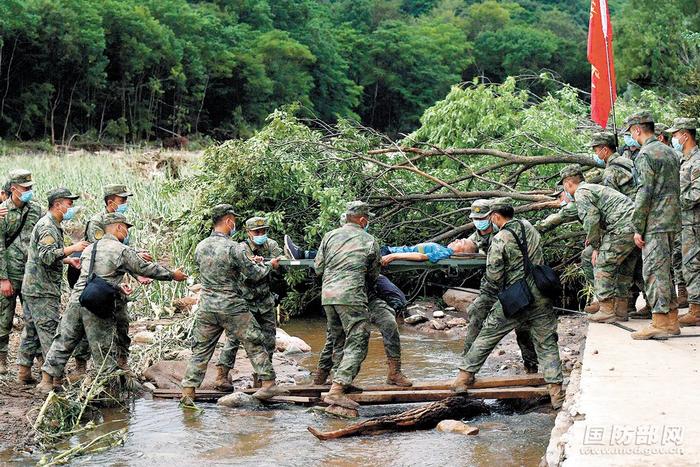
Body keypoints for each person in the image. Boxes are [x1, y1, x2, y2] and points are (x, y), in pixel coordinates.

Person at [38, 213, 187, 392]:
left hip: (78, 298)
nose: (127, 231)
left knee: (64, 339)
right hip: (96, 302)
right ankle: (108, 389)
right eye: (126, 227)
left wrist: (117, 287)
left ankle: (46, 381)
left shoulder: (90, 248)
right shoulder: (120, 250)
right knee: (102, 345)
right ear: (118, 227)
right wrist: (172, 275)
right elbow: (145, 269)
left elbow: (96, 275)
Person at [451, 199, 564, 410]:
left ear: (495, 216)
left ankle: (463, 379)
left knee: (487, 336)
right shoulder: (528, 227)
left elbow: (494, 276)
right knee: (547, 344)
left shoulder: (500, 239)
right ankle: (556, 394)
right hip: (542, 294)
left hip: (516, 297)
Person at [181, 204, 286, 403]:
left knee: (201, 350)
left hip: (207, 306)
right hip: (232, 306)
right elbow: (254, 274)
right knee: (254, 341)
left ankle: (188, 393)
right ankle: (268, 383)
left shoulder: (201, 246)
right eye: (234, 221)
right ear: (229, 221)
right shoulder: (233, 247)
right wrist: (268, 266)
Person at [15, 188, 89, 385]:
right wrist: (73, 249)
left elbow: (43, 255)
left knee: (31, 331)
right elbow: (47, 256)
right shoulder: (48, 226)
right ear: (57, 205)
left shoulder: (51, 224)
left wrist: (68, 261)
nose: (71, 207)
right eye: (69, 203)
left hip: (33, 287)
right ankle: (54, 378)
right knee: (48, 331)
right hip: (42, 289)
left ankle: (23, 372)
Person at [314, 201, 380, 409]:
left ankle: (339, 380)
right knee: (358, 340)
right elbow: (373, 275)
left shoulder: (329, 236)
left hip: (328, 296)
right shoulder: (369, 241)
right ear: (362, 220)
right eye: (367, 219)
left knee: (338, 340)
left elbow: (318, 267)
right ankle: (337, 389)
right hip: (351, 296)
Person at [460, 198, 538, 374]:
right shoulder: (477, 236)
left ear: (493, 216)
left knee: (523, 326)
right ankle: (466, 364)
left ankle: (531, 365)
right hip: (491, 287)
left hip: (515, 285)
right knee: (476, 313)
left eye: (482, 217)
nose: (478, 222)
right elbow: (467, 247)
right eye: (475, 218)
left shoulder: (510, 230)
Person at [624, 111, 682, 339]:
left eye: (630, 131)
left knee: (654, 272)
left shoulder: (645, 155)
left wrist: (637, 226)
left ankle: (659, 321)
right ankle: (672, 319)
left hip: (655, 222)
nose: (631, 136)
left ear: (637, 129)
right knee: (666, 270)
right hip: (671, 219)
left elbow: (644, 193)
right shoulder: (669, 151)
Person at [560, 165, 637, 323]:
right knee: (623, 267)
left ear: (568, 183)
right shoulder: (592, 188)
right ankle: (620, 309)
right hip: (633, 225)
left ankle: (606, 308)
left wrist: (596, 247)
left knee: (602, 263)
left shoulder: (581, 193)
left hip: (622, 227)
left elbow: (592, 219)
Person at [215, 216, 285, 391]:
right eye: (257, 232)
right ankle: (222, 375)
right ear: (248, 232)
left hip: (265, 300)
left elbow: (281, 265)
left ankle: (261, 378)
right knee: (233, 339)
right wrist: (265, 265)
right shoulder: (241, 248)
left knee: (268, 340)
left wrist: (273, 265)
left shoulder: (272, 245)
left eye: (263, 231)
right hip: (245, 302)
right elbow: (247, 274)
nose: (261, 235)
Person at [314, 273, 413, 387]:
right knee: (336, 337)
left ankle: (394, 373)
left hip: (368, 296)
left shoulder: (367, 257)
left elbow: (374, 271)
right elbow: (319, 270)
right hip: (342, 296)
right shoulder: (330, 256)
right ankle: (322, 378)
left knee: (389, 324)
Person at [0, 170, 42, 375]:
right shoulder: (3, 213)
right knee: (3, 318)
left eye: (31, 188)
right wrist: (3, 279)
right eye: (25, 188)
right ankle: (1, 361)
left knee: (33, 318)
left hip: (31, 274)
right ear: (13, 189)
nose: (29, 192)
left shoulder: (36, 210)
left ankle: (38, 360)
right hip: (10, 273)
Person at [669, 118, 700, 326]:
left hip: (695, 222)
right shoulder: (684, 159)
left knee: (693, 265)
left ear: (685, 135)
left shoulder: (697, 161)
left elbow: (697, 192)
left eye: (675, 135)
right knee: (686, 264)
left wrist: (676, 200)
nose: (673, 139)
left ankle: (696, 310)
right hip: (686, 222)